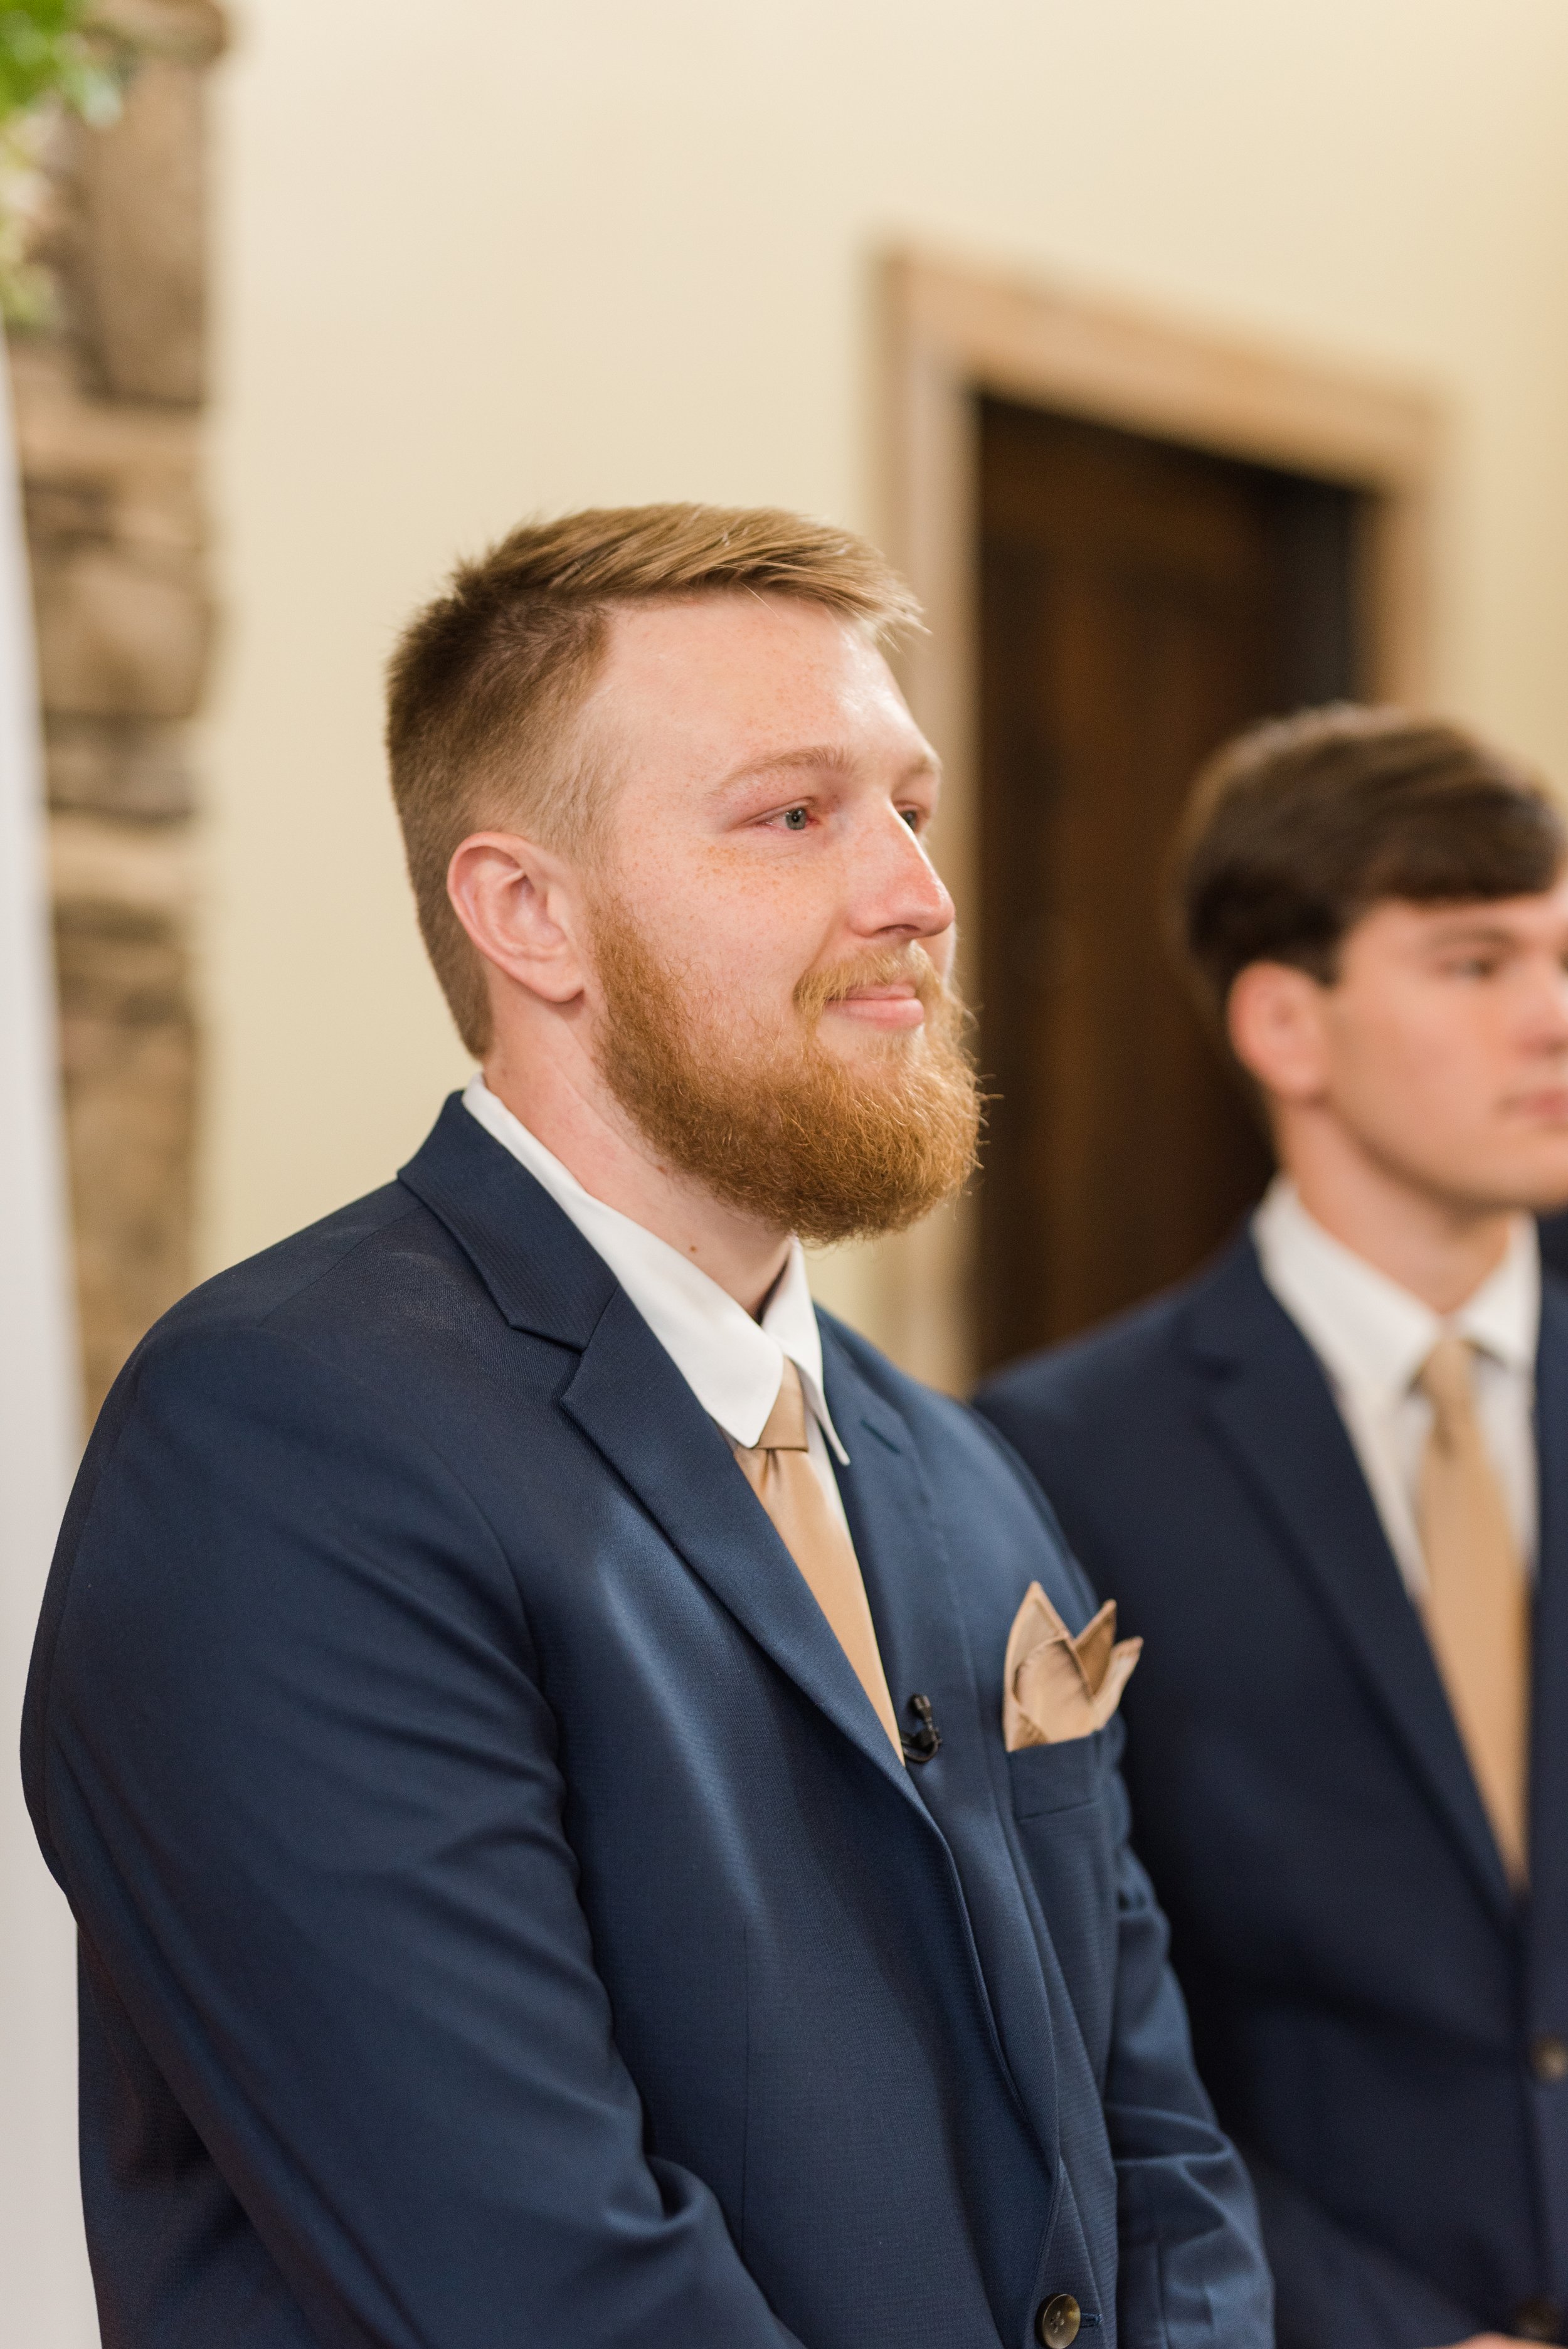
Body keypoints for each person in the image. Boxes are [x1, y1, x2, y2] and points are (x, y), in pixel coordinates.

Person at [21, 506, 1269, 2349]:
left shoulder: (959, 1471)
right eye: (793, 813)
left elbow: (1149, 2145)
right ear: (528, 912)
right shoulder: (282, 1441)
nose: (916, 892)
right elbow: (536, 2279)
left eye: (907, 806)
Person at [977, 705, 1568, 2349]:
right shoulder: (1050, 1457)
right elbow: (1069, 2023)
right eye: (1473, 965)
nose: (1554, 1018)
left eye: (1561, 956)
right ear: (1282, 1023)